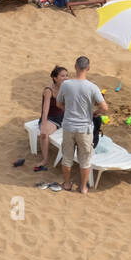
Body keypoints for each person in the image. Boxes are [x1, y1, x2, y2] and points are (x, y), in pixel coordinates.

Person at [56, 56, 108, 194]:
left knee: (67, 158)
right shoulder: (92, 87)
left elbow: (58, 103)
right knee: (85, 160)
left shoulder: (66, 85)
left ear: (75, 66)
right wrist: (95, 113)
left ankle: (67, 184)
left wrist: (66, 110)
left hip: (68, 126)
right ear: (88, 68)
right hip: (84, 128)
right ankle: (83, 187)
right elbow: (105, 107)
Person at [27, 65, 68, 170]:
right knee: (44, 134)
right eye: (62, 76)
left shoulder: (66, 88)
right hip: (51, 119)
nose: (66, 78)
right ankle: (45, 159)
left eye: (67, 76)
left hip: (64, 116)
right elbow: (45, 109)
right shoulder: (48, 90)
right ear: (55, 78)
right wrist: (44, 125)